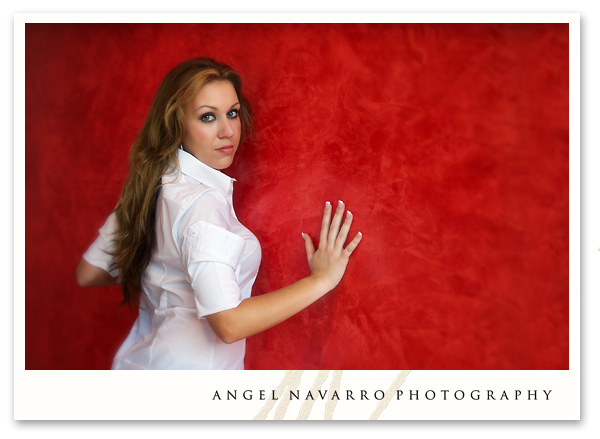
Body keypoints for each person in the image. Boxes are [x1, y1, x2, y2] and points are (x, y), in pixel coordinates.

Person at [76, 57, 362, 370]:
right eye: (208, 117)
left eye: (233, 113)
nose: (228, 130)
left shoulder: (150, 188)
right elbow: (229, 324)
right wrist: (320, 281)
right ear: (176, 124)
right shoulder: (202, 206)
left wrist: (163, 271)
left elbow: (88, 272)